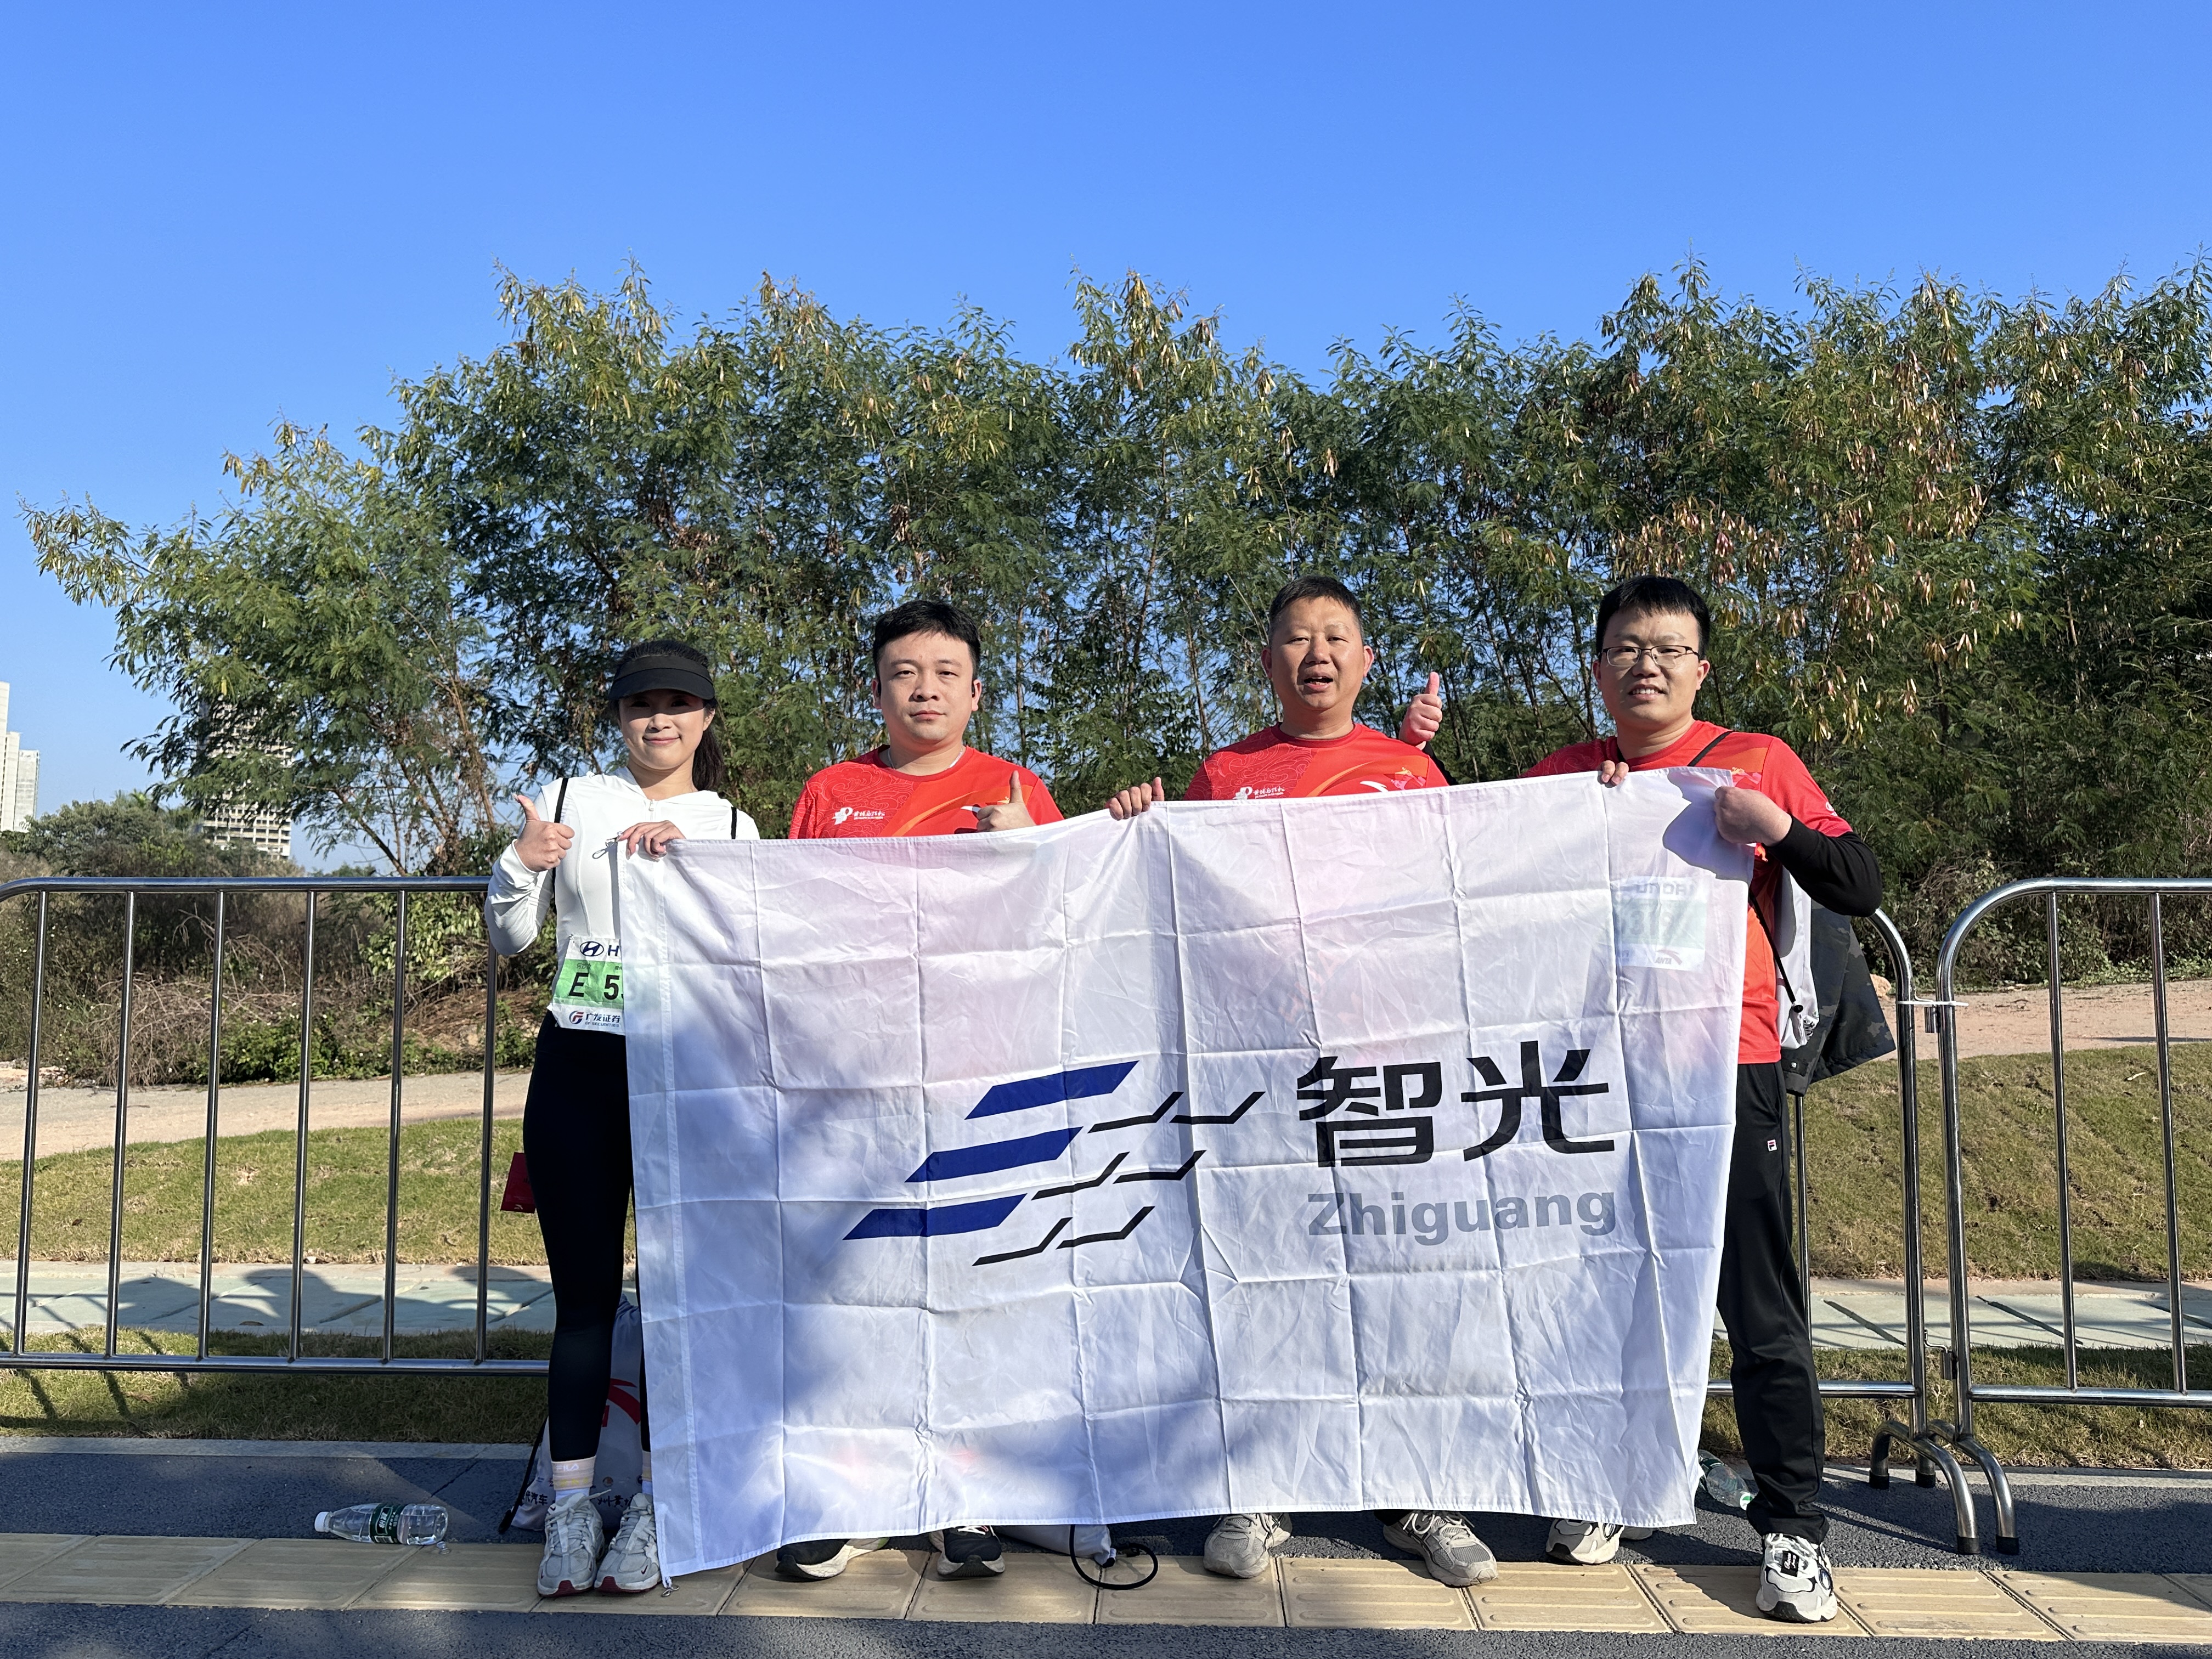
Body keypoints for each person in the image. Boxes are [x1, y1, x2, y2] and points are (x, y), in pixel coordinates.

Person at [1107, 574, 1496, 1591]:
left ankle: (1418, 1488)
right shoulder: (1225, 775)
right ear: (1267, 660)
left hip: (1385, 1071)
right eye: (1296, 638)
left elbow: (1459, 907)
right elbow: (1168, 905)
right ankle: (1261, 1482)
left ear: (1365, 660)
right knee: (1269, 1271)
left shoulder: (1410, 773)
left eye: (1336, 638)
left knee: (1402, 1280)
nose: (1316, 655)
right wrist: (1138, 826)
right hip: (1262, 1071)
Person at [1523, 575, 1880, 1624]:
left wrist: (1778, 829)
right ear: (1598, 668)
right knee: (1603, 1287)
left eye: (1669, 649)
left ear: (1700, 670)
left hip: (1730, 1063)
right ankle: (1614, 1486)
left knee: (1756, 1306)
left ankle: (1794, 1527)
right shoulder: (1562, 777)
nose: (1647, 665)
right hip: (1597, 1073)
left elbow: (1857, 880)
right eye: (1627, 648)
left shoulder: (1755, 760)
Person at [774, 596, 1064, 1585]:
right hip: (856, 1080)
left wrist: (1030, 853)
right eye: (905, 673)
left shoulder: (1016, 789)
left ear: (977, 694)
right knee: (860, 1285)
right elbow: (785, 927)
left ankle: (962, 1493)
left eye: (946, 674)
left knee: (970, 1285)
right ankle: (858, 1491)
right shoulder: (831, 793)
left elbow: (1067, 925)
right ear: (877, 689)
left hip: (977, 1076)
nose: (925, 690)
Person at [484, 640, 761, 1596]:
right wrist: (521, 863)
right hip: (579, 1066)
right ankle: (568, 1514)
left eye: (680, 703)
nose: (660, 719)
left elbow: (748, 962)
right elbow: (510, 935)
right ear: (618, 717)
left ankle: (656, 1509)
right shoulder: (570, 797)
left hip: (687, 1075)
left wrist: (699, 874)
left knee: (680, 1301)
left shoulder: (733, 823)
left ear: (707, 718)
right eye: (643, 704)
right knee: (584, 1303)